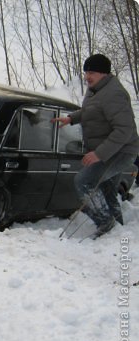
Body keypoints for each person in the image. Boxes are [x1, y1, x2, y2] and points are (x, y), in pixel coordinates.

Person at [52, 54, 139, 237]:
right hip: (112, 149)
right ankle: (118, 232)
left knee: (83, 182)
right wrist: (71, 118)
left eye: (91, 72)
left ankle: (106, 224)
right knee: (107, 188)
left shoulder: (114, 93)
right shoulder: (97, 90)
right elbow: (91, 110)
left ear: (104, 74)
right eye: (85, 72)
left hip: (121, 151)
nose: (87, 76)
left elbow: (124, 129)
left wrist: (99, 154)